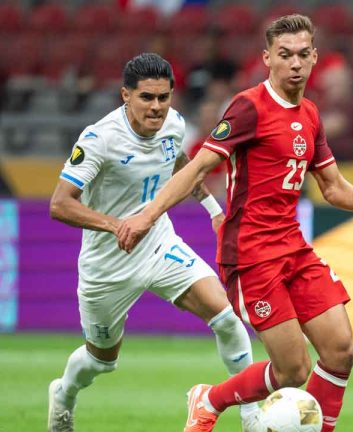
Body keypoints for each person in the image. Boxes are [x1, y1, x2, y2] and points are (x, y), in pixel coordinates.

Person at [117, 15, 353, 432]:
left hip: (294, 249)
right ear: (267, 58)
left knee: (341, 350)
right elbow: (197, 169)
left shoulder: (311, 114)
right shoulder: (249, 106)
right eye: (285, 55)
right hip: (251, 255)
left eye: (303, 54)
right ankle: (209, 399)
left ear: (315, 57)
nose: (295, 64)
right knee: (293, 370)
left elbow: (334, 188)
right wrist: (148, 214)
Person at [46, 53, 260, 432]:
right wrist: (116, 226)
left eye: (164, 97)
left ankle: (251, 417)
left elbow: (182, 168)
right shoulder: (100, 139)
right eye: (147, 97)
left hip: (159, 245)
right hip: (107, 265)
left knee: (226, 315)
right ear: (125, 95)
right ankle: (63, 393)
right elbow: (60, 204)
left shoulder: (175, 125)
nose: (157, 107)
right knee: (102, 361)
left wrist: (212, 208)